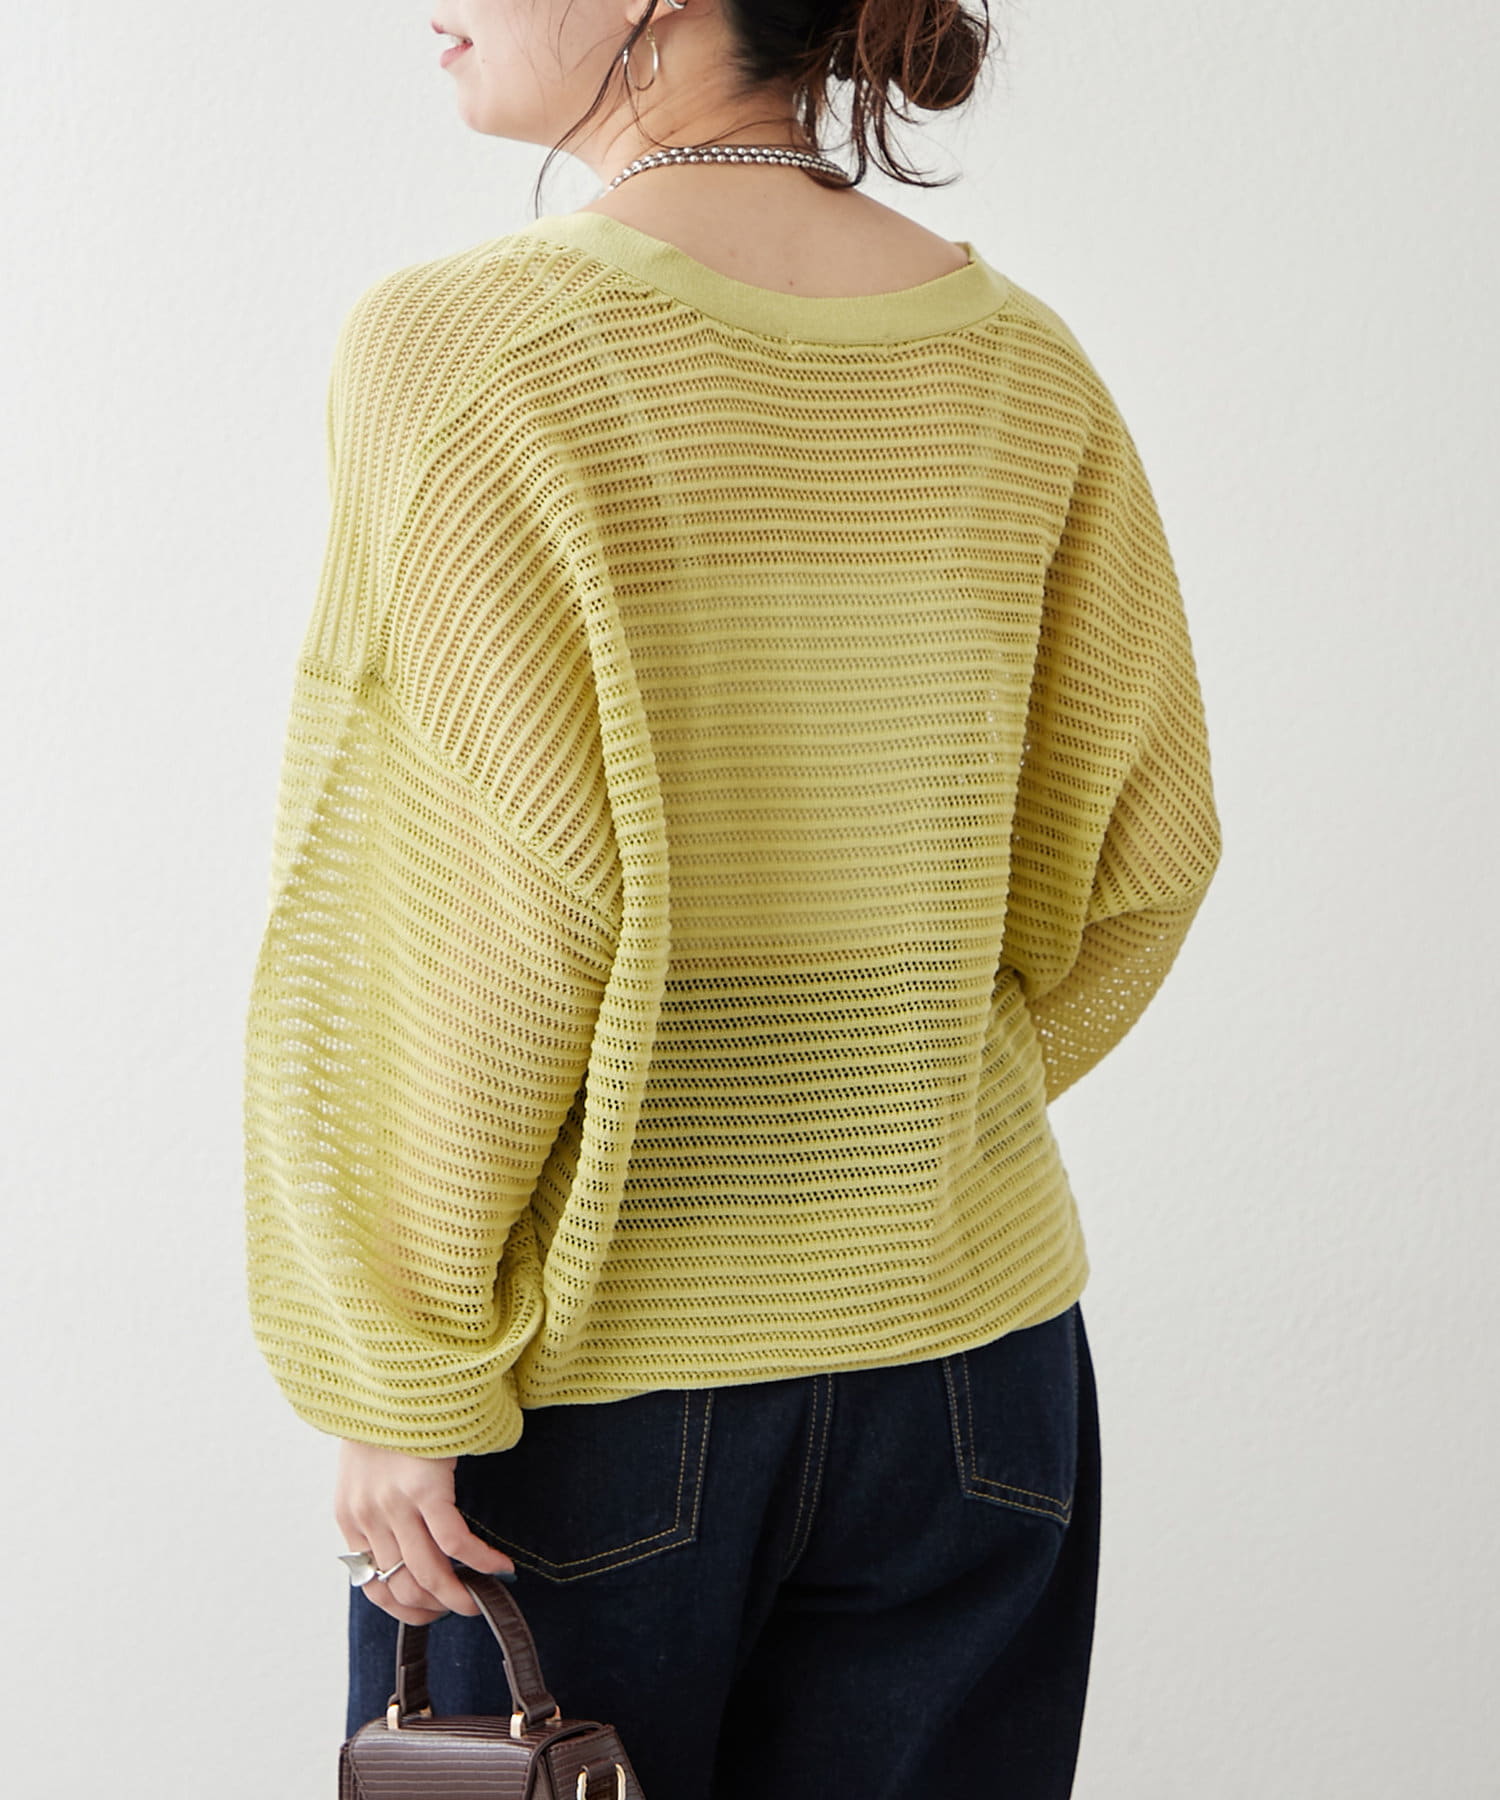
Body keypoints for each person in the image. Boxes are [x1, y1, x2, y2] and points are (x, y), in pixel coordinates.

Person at [242, 0, 1223, 1794]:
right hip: (979, 1369)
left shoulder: (463, 348)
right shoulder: (1025, 364)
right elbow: (1140, 864)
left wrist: (399, 1363)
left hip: (601, 1392)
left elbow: (453, 918)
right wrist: (896, 1110)